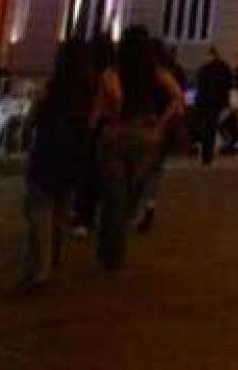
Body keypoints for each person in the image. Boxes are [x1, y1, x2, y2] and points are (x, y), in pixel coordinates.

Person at [20, 39, 103, 291]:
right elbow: (93, 120)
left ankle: (41, 269)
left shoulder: (53, 86)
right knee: (61, 207)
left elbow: (33, 117)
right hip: (75, 153)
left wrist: (27, 134)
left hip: (48, 151)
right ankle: (53, 260)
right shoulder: (91, 88)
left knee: (39, 208)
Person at [95, 27, 180, 268]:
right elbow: (177, 97)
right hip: (145, 135)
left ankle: (110, 251)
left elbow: (109, 101)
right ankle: (117, 242)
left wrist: (113, 117)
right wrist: (160, 125)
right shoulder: (154, 72)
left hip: (117, 133)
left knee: (113, 194)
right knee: (133, 191)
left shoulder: (113, 71)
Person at [191, 48, 233, 166]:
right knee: (211, 129)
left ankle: (205, 156)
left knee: (204, 129)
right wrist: (226, 102)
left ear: (209, 55)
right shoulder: (224, 68)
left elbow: (200, 85)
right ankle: (208, 157)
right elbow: (228, 86)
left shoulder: (204, 69)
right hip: (216, 104)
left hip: (203, 103)